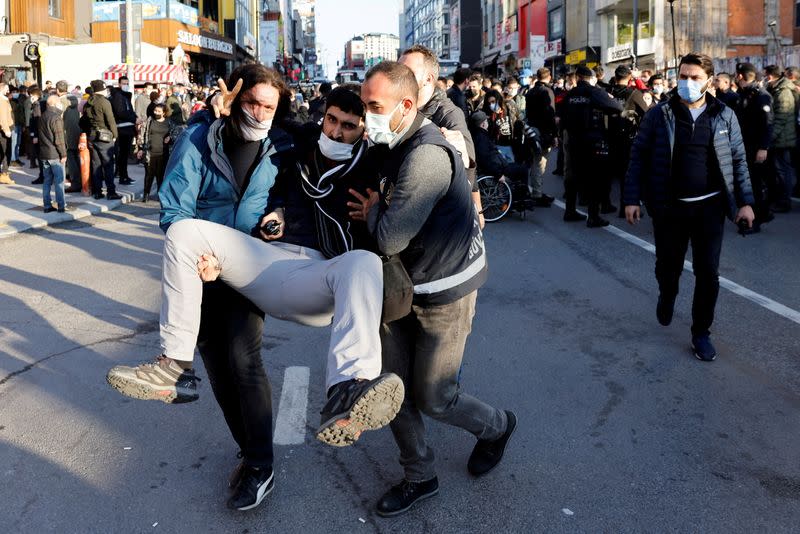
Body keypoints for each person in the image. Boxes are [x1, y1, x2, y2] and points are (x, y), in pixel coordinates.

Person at [106, 67, 403, 511]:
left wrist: (460, 178)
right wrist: (210, 116)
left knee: (359, 266)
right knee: (187, 242)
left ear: (364, 130)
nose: (337, 131)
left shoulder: (372, 164)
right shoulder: (291, 142)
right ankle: (173, 368)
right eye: (332, 121)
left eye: (349, 125)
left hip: (319, 276)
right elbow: (179, 206)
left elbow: (420, 145)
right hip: (255, 261)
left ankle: (348, 388)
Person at [353, 61, 515, 518]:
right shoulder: (389, 140)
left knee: (435, 396)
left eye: (374, 107)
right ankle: (419, 475)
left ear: (406, 106)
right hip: (402, 286)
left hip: (445, 290)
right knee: (393, 385)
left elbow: (389, 236)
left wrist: (370, 214)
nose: (367, 117)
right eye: (365, 106)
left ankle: (497, 426)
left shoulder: (425, 155)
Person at [624, 52, 755, 362]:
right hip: (670, 208)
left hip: (709, 209)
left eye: (694, 78)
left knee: (708, 273)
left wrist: (745, 203)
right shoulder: (660, 114)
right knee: (668, 267)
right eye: (683, 76)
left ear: (708, 81)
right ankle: (667, 295)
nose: (687, 83)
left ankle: (701, 332)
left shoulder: (724, 115)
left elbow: (737, 161)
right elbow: (638, 156)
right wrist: (631, 198)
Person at [398, 45, 484, 227]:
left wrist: (477, 207)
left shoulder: (448, 114)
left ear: (428, 79)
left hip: (437, 219)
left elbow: (467, 163)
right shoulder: (404, 107)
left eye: (408, 73)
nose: (400, 78)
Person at [559, 65, 623, 226]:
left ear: (578, 78)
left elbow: (562, 117)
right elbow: (617, 107)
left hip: (573, 140)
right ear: (592, 79)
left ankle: (570, 210)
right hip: (592, 140)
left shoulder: (571, 94)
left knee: (573, 176)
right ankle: (593, 216)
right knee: (595, 178)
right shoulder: (594, 92)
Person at [734, 62, 773, 233]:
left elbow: (767, 124)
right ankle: (758, 214)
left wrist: (763, 147)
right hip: (744, 145)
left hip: (755, 147)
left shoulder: (761, 96)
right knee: (748, 182)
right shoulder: (745, 94)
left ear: (740, 76)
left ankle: (756, 219)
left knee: (755, 184)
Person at [764, 64, 797, 212]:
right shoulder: (777, 89)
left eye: (766, 76)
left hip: (783, 139)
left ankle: (784, 202)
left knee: (783, 170)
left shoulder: (783, 92)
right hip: (779, 138)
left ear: (770, 76)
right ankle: (779, 199)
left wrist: (770, 137)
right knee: (779, 170)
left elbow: (781, 117)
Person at [81, 80, 121, 200]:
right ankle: (111, 192)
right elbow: (110, 120)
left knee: (96, 164)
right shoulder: (104, 102)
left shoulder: (88, 102)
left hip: (92, 136)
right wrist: (115, 135)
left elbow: (84, 121)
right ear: (103, 89)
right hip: (104, 136)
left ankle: (97, 191)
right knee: (108, 165)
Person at [524, 67, 557, 206]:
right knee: (540, 162)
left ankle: (535, 190)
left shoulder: (530, 92)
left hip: (531, 129)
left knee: (534, 162)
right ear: (549, 77)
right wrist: (554, 135)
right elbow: (550, 114)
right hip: (542, 131)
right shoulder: (547, 91)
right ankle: (537, 193)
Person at [137, 103, 181, 202]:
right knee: (149, 175)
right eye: (155, 111)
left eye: (159, 111)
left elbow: (176, 134)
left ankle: (160, 195)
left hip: (164, 153)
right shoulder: (149, 121)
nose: (156, 113)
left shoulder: (169, 123)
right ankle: (146, 194)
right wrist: (140, 148)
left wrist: (170, 137)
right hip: (150, 152)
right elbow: (142, 135)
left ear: (164, 113)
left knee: (160, 176)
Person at [39, 95, 68, 212]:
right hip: (55, 154)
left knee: (46, 181)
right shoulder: (56, 118)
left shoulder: (42, 116)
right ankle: (61, 205)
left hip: (44, 153)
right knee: (59, 181)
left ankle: (47, 205)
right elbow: (59, 139)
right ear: (56, 104)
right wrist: (64, 154)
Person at [109, 76, 137, 185]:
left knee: (125, 155)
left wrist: (136, 117)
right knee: (122, 155)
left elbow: (130, 110)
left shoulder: (125, 96)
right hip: (122, 129)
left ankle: (125, 176)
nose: (126, 85)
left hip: (128, 129)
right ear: (119, 84)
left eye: (127, 83)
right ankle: (122, 177)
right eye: (123, 83)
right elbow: (121, 113)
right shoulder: (118, 96)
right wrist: (134, 118)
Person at [63, 95, 83, 193]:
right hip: (79, 139)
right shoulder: (78, 109)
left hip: (70, 141)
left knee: (72, 164)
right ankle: (83, 182)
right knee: (79, 162)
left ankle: (75, 183)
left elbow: (64, 126)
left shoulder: (66, 110)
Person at [0, 84, 13, 185]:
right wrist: (6, 130)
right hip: (4, 130)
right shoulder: (2, 100)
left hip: (4, 129)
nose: (8, 90)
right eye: (6, 88)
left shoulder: (4, 99)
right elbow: (3, 117)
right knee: (5, 152)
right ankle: (4, 174)